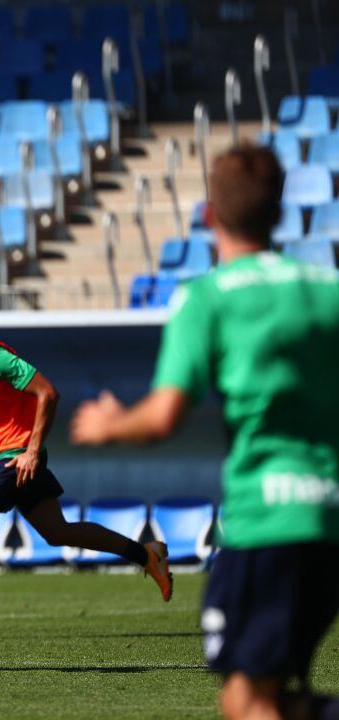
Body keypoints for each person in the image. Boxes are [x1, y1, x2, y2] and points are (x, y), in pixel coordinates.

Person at [71, 145, 338, 720]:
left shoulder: (208, 297)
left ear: (210, 214)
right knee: (248, 697)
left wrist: (110, 423)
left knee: (252, 701)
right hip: (329, 520)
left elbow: (165, 416)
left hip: (265, 521)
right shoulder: (327, 289)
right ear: (280, 211)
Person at [0, 291, 172, 639]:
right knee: (58, 532)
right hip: (4, 455)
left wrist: (32, 451)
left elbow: (48, 392)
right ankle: (146, 554)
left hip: (17, 455)